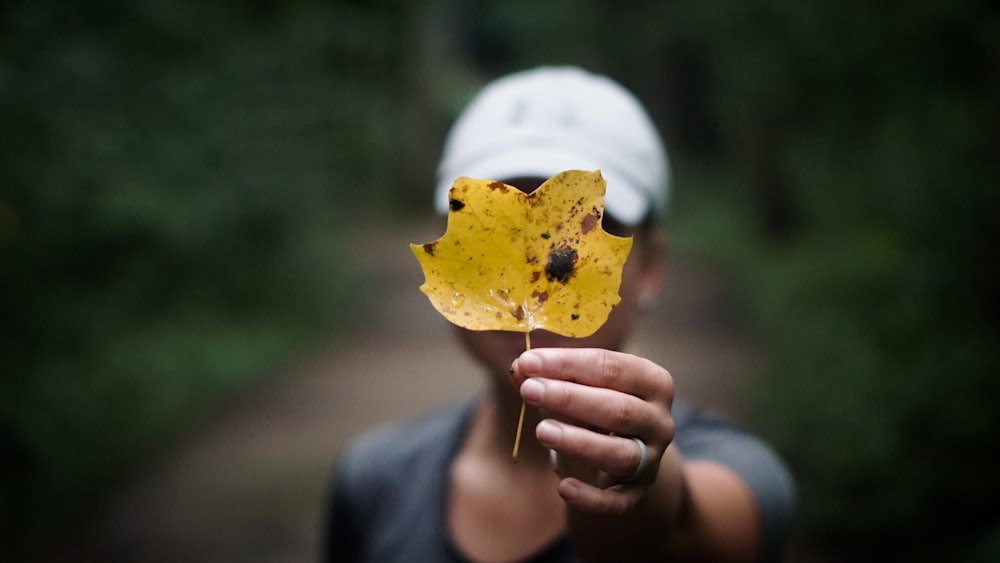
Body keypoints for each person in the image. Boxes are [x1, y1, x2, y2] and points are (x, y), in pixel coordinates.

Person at [323, 66, 795, 562]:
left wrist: (633, 480)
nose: (538, 260)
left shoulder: (740, 468)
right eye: (489, 227)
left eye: (581, 230)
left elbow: (684, 530)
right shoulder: (373, 480)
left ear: (650, 265)